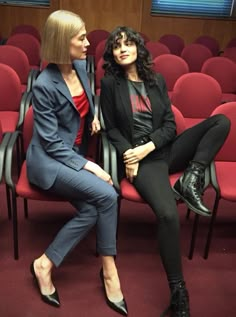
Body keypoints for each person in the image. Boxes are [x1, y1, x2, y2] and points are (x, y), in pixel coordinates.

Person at [100, 26, 230, 317]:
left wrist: (148, 146)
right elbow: (111, 129)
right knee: (169, 214)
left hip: (162, 150)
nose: (123, 49)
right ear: (112, 53)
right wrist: (130, 155)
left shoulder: (156, 79)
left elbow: (170, 126)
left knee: (220, 122)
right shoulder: (110, 84)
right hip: (144, 161)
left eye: (128, 44)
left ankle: (191, 178)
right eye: (117, 46)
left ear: (138, 48)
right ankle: (178, 292)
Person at [26, 10, 128, 316]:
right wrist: (91, 166)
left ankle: (44, 264)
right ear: (61, 43)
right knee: (108, 195)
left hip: (74, 153)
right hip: (50, 160)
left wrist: (94, 114)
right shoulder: (44, 84)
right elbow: (50, 143)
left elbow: (87, 97)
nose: (88, 42)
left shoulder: (82, 65)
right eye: (80, 37)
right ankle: (110, 271)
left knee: (93, 209)